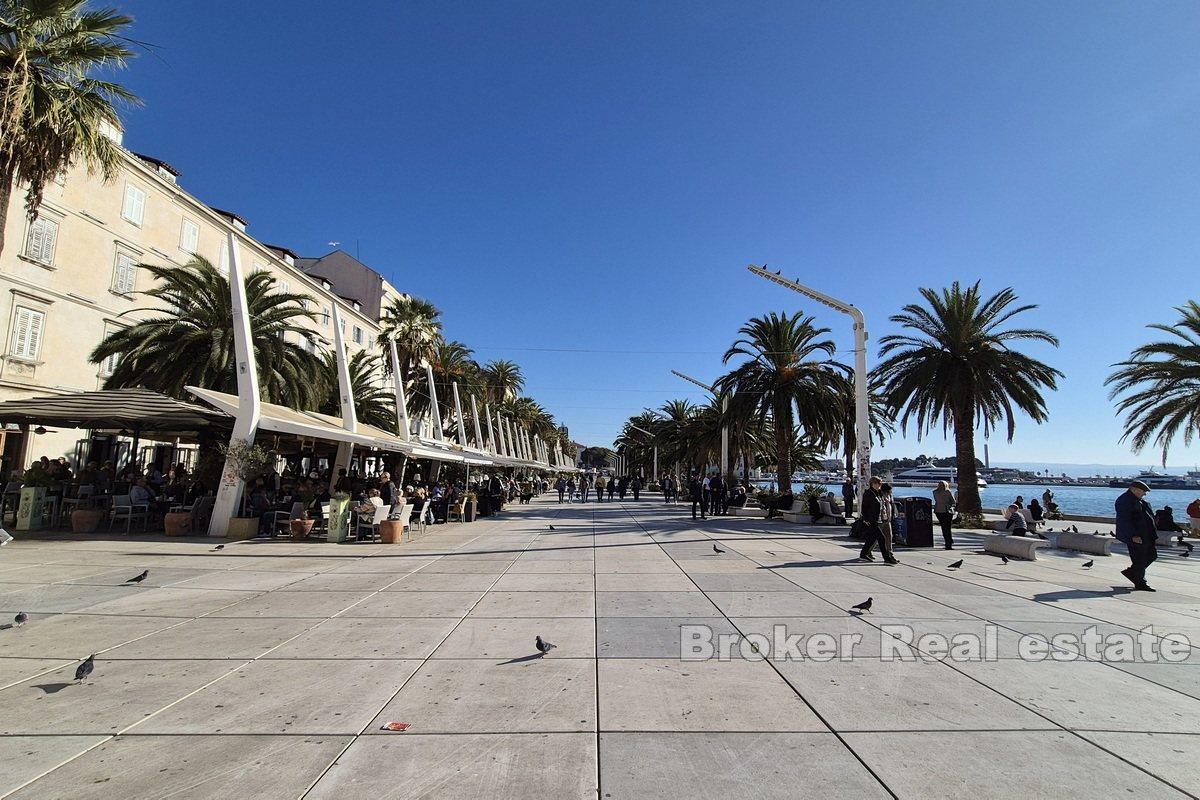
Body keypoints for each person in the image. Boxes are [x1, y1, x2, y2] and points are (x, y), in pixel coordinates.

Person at [1115, 479, 1157, 591]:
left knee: (1151, 555)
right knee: (1140, 559)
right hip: (1136, 536)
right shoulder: (1124, 500)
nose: (1144, 493)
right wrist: (1133, 535)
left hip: (1145, 534)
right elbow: (1124, 520)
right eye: (1143, 491)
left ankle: (1132, 572)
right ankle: (1140, 582)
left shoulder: (1139, 500)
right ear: (1133, 489)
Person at [859, 476, 898, 564]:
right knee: (882, 538)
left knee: (872, 539)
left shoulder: (878, 493)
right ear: (872, 484)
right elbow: (864, 507)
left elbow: (883, 503)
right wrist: (865, 518)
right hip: (871, 520)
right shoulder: (868, 493)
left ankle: (863, 554)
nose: (878, 485)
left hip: (879, 518)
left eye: (880, 483)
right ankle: (886, 558)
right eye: (876, 483)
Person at [932, 480, 955, 550]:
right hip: (947, 510)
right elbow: (953, 501)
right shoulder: (948, 492)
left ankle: (948, 542)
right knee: (947, 527)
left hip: (938, 510)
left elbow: (937, 500)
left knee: (943, 527)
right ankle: (949, 542)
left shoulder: (934, 492)